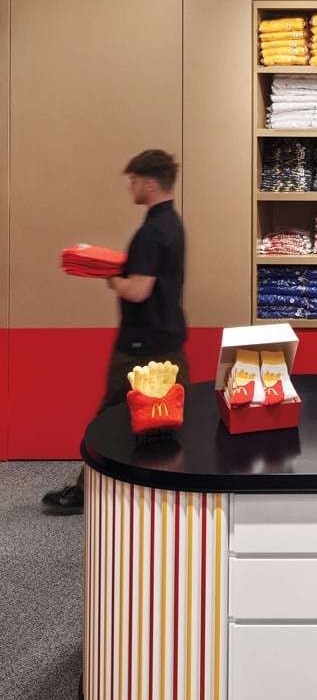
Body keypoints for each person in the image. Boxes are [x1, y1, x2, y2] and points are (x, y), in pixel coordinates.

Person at [42, 149, 189, 514]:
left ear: (150, 183)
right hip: (169, 341)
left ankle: (85, 491)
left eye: (134, 181)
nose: (131, 187)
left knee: (109, 419)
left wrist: (109, 275)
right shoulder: (173, 225)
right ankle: (167, 490)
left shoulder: (150, 232)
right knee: (166, 420)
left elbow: (138, 290)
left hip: (139, 347)